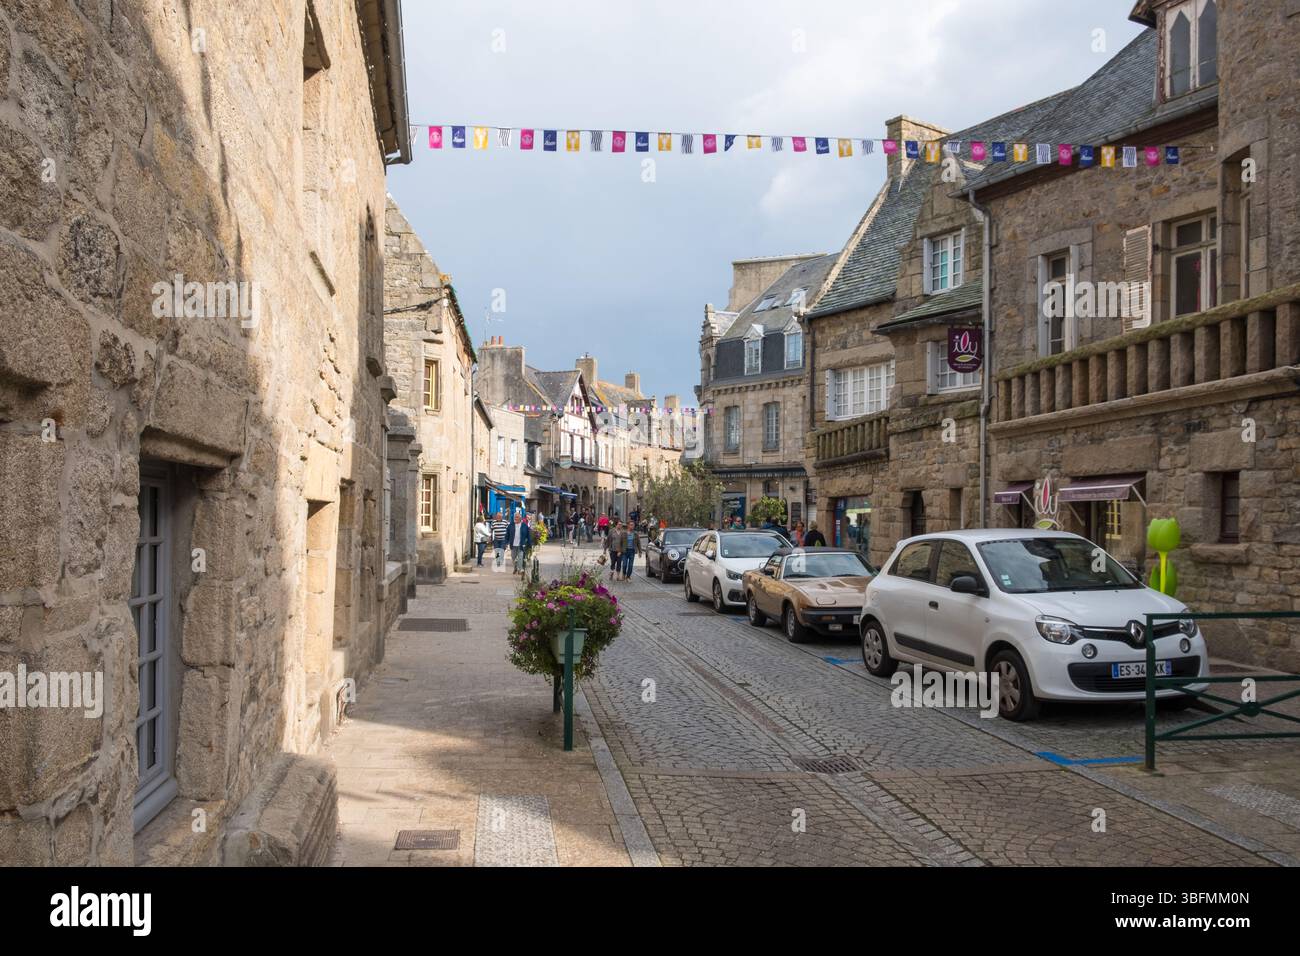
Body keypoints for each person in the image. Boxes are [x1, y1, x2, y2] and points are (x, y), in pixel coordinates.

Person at [507, 510, 532, 575]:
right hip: (513, 545)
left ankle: (520, 570)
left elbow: (528, 536)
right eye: (515, 517)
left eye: (517, 517)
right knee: (513, 558)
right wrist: (505, 543)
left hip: (521, 545)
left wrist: (529, 544)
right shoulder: (511, 525)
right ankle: (515, 567)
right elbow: (507, 535)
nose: (515, 518)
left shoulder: (524, 526)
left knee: (520, 558)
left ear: (520, 518)